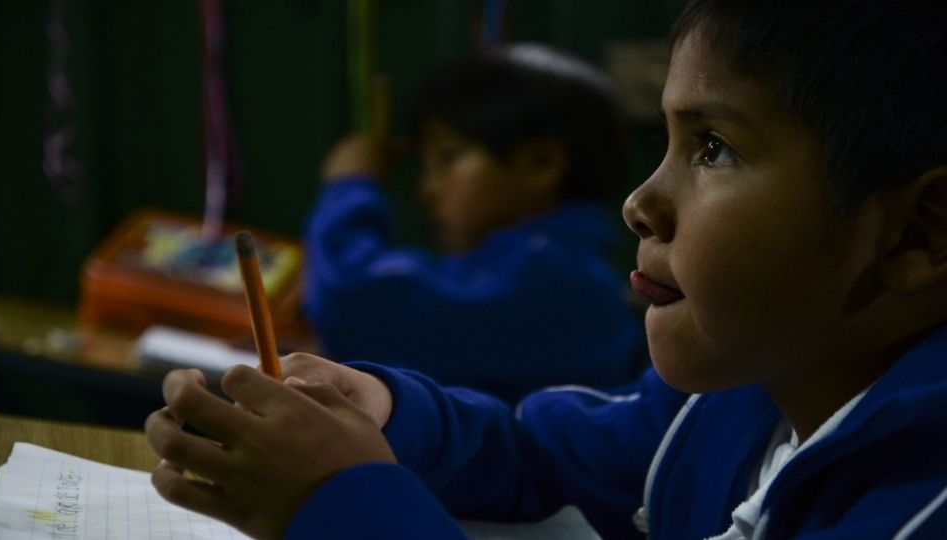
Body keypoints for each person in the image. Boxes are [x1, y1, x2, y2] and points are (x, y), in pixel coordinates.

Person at [144, 0, 947, 538]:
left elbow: (359, 299)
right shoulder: (729, 392)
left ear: (918, 233)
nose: (640, 202)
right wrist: (384, 411)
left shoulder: (919, 510)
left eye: (714, 148)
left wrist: (342, 501)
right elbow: (538, 452)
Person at [302, 44, 645, 402]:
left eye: (447, 157)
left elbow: (350, 300)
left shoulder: (554, 281)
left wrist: (352, 185)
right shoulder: (538, 268)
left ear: (540, 165)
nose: (425, 190)